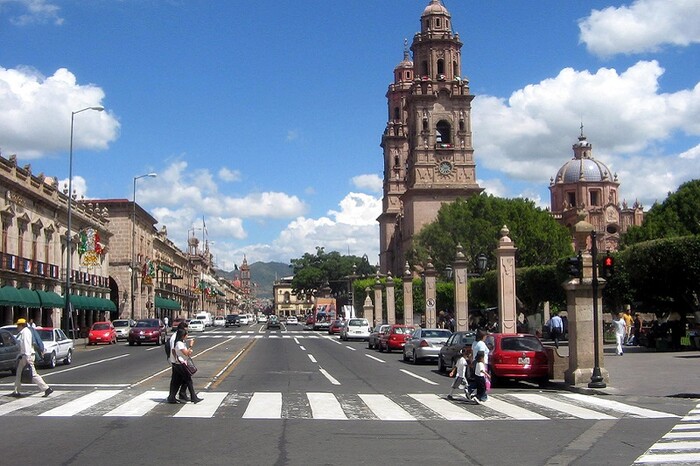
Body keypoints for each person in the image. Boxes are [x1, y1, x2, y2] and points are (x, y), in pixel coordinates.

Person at [11, 318, 52, 397]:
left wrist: (27, 357)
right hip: (25, 356)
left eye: (18, 325)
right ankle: (16, 391)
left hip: (26, 356)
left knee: (33, 374)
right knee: (19, 373)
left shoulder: (25, 332)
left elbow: (26, 345)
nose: (17, 327)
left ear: (22, 325)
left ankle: (47, 389)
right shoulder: (24, 332)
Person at [172, 328, 202, 404]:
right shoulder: (179, 343)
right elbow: (186, 353)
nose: (187, 336)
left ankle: (173, 396)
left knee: (179, 381)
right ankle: (193, 397)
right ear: (182, 336)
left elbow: (174, 351)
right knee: (188, 380)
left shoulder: (180, 343)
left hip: (179, 363)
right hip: (181, 364)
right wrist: (191, 346)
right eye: (186, 334)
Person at [167, 321, 190, 403]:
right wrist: (177, 360)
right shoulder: (174, 338)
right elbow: (173, 350)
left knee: (182, 378)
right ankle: (172, 396)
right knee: (177, 379)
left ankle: (180, 394)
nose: (186, 333)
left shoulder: (179, 336)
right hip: (176, 362)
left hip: (180, 361)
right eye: (185, 330)